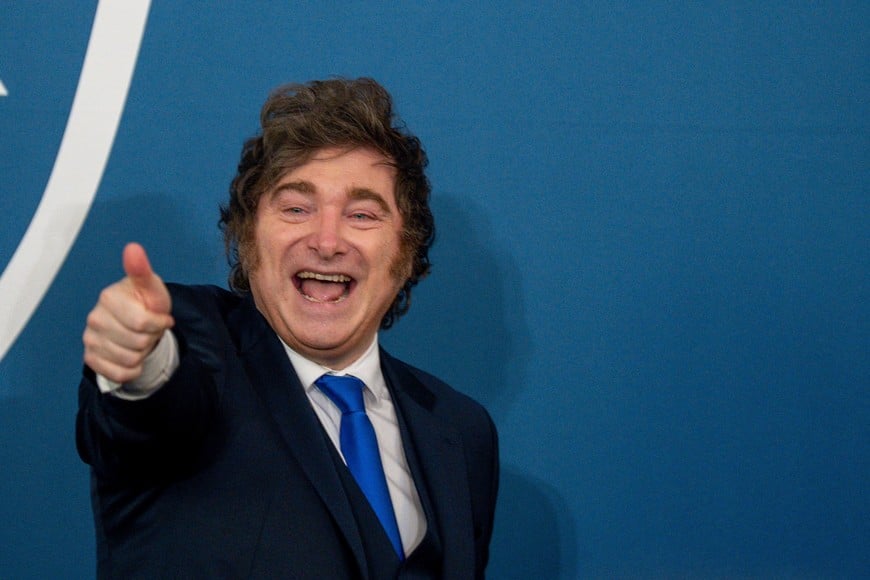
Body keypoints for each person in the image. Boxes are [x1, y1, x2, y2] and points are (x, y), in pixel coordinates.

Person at [76, 78, 499, 579]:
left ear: (405, 254)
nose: (326, 240)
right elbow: (153, 410)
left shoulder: (460, 429)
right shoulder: (199, 347)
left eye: (362, 214)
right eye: (296, 208)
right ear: (248, 238)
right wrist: (143, 363)